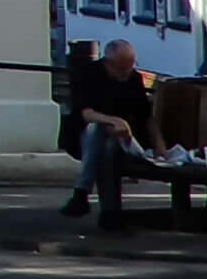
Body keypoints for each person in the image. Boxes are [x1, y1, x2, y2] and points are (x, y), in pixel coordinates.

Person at [62, 36, 153, 229]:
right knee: (99, 134)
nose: (125, 73)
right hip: (87, 136)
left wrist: (159, 147)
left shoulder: (133, 78)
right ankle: (109, 213)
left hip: (124, 139)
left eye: (130, 67)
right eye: (121, 69)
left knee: (108, 145)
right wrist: (114, 121)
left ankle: (82, 194)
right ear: (107, 63)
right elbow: (86, 113)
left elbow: (146, 116)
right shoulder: (88, 74)